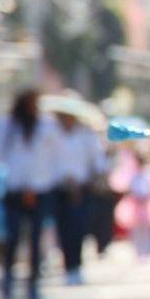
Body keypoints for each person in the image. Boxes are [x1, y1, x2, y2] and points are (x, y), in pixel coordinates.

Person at [0, 89, 62, 299]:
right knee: (12, 237)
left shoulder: (47, 126)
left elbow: (55, 157)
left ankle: (33, 285)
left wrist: (50, 180)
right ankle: (8, 282)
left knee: (35, 238)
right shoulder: (7, 126)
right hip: (14, 190)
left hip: (40, 190)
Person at [52, 105, 108, 285]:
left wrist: (92, 181)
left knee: (79, 228)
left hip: (82, 189)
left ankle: (76, 265)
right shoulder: (52, 136)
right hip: (59, 188)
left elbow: (97, 162)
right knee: (63, 229)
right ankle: (68, 265)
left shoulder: (85, 136)